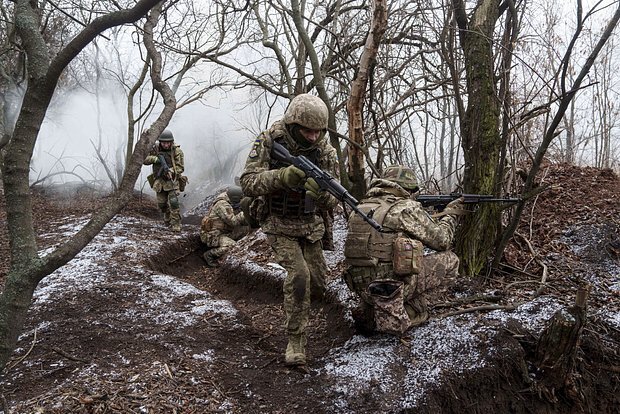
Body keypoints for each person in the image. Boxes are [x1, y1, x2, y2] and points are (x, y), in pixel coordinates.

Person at [239, 93, 339, 367]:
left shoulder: (325, 152)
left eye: (318, 132)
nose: (313, 137)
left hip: (310, 225)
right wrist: (281, 177)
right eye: (308, 131)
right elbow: (247, 182)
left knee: (318, 283)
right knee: (299, 276)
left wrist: (320, 194)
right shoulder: (270, 141)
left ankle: (299, 310)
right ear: (294, 124)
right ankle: (295, 340)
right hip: (278, 221)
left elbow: (334, 199)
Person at [343, 165, 465, 336]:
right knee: (450, 260)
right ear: (406, 187)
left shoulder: (361, 207)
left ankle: (371, 311)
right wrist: (451, 214)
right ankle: (411, 309)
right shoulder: (405, 207)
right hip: (392, 290)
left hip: (362, 288)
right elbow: (442, 241)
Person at [144, 129, 185, 232]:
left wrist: (171, 171)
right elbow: (144, 159)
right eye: (164, 143)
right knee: (161, 204)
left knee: (174, 202)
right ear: (160, 142)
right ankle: (167, 215)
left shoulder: (177, 151)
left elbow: (181, 167)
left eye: (168, 143)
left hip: (172, 180)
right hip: (159, 182)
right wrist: (155, 159)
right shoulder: (155, 148)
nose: (166, 145)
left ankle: (176, 223)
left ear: (171, 142)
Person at [200, 186, 249, 267]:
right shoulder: (222, 204)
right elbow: (233, 222)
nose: (241, 200)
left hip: (225, 231)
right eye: (240, 199)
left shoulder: (229, 200)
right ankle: (209, 255)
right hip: (214, 235)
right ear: (235, 198)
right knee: (232, 247)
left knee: (247, 230)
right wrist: (245, 213)